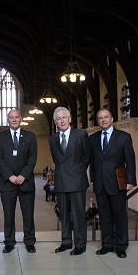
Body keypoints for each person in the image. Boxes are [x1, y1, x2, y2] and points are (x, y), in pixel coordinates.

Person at [90, 108, 136, 258]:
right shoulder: (93, 138)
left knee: (120, 216)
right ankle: (107, 244)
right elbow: (93, 161)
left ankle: (121, 246)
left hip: (117, 182)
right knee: (104, 216)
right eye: (100, 118)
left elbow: (130, 160)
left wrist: (131, 180)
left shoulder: (123, 137)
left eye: (106, 117)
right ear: (98, 121)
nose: (103, 120)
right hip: (100, 183)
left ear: (112, 119)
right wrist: (92, 180)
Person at [0, 108, 38, 253]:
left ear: (21, 119)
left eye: (16, 117)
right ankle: (9, 242)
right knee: (8, 215)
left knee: (28, 214)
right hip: (7, 183)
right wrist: (10, 176)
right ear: (8, 119)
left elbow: (32, 158)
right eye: (11, 117)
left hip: (26, 182)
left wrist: (23, 175)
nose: (14, 119)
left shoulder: (30, 136)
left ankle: (30, 241)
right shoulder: (0, 137)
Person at [48, 106, 90, 256]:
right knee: (63, 214)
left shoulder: (81, 135)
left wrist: (78, 171)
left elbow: (87, 156)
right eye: (58, 119)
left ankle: (80, 245)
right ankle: (66, 242)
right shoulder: (52, 139)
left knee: (78, 215)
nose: (61, 121)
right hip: (60, 181)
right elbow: (56, 159)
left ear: (70, 119)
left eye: (63, 117)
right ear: (55, 122)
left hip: (77, 181)